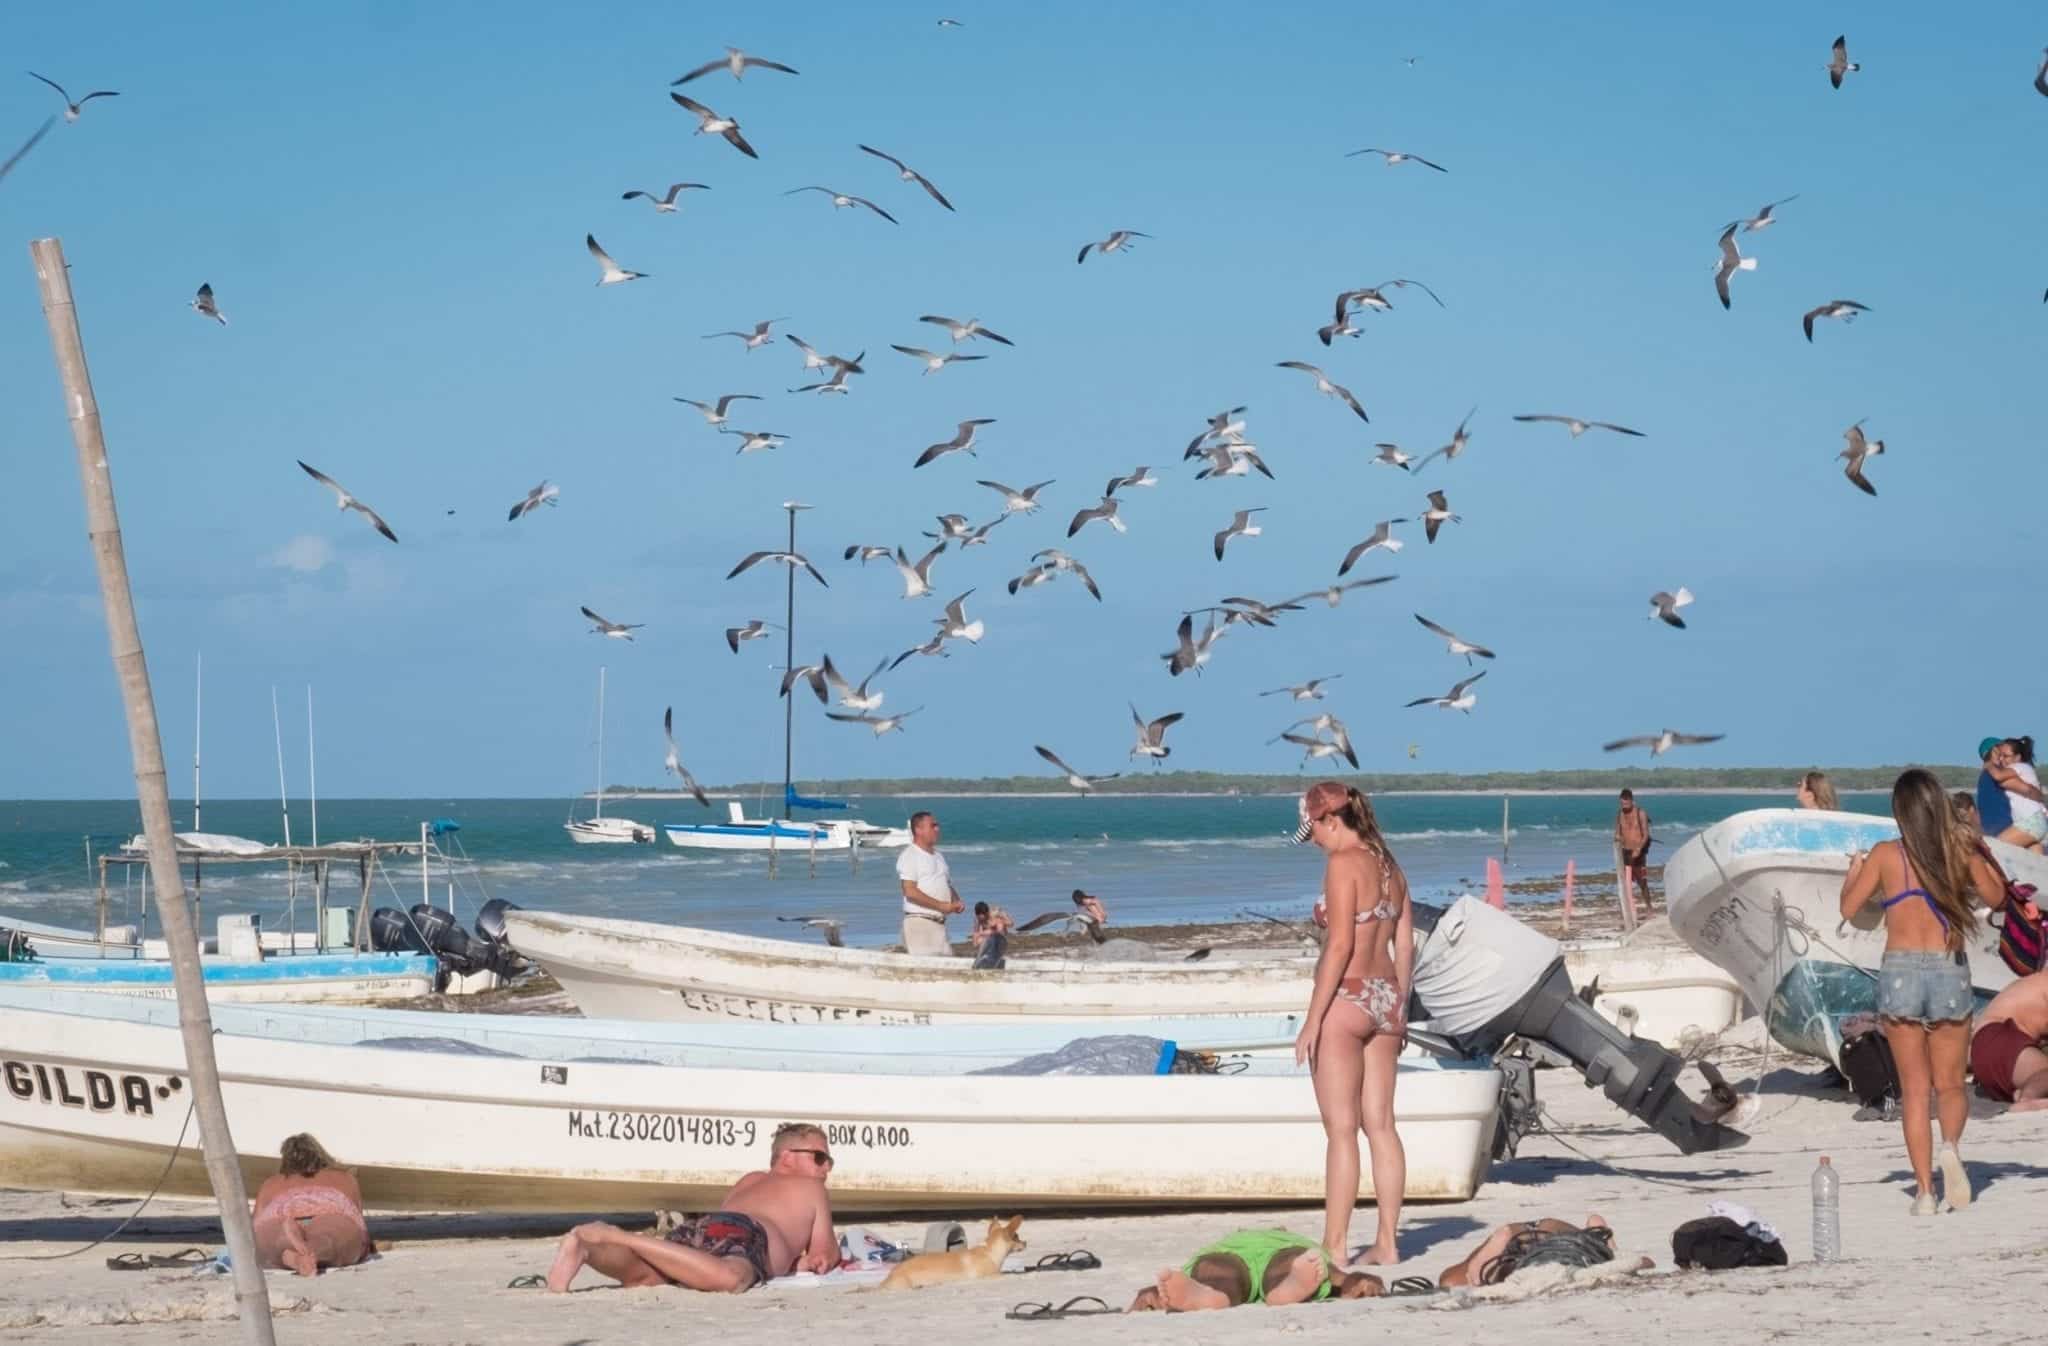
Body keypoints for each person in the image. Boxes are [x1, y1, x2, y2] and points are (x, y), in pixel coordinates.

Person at [1839, 767, 2012, 1215]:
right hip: (1947, 966)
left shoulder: (1884, 854)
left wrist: (1854, 869)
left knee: (1915, 1091)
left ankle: (1924, 1193)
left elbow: (1849, 907)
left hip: (1899, 970)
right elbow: (1998, 898)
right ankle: (1950, 1148)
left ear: (1899, 811)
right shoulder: (1958, 849)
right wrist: (1978, 848)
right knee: (1951, 1084)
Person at [1293, 781, 1412, 1266]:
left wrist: (1311, 1020)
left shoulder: (1342, 865)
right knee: (1381, 1126)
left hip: (1347, 997)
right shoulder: (1389, 865)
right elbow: (1404, 944)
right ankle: (1387, 1242)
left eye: (1314, 831)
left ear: (1330, 820)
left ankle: (1336, 1245)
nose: (1314, 841)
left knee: (1342, 1130)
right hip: (1386, 997)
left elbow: (1340, 947)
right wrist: (1399, 1006)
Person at [546, 1122, 837, 1292]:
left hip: (710, 1224)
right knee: (731, 1278)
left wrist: (792, 1260)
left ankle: (586, 1249)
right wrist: (808, 1259)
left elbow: (719, 1235)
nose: (827, 1167)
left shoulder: (750, 1179)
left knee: (647, 1276)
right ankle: (617, 1237)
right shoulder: (811, 1187)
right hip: (748, 1233)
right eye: (820, 1158)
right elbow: (825, 1255)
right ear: (786, 1157)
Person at [1128, 1229, 1384, 1311]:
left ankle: (1210, 1294)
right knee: (1292, 1263)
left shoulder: (1227, 1241)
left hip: (1230, 1252)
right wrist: (1354, 1280)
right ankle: (1287, 1288)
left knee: (1217, 1270)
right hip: (1289, 1251)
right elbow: (1341, 1277)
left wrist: (1155, 1294)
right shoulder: (1291, 1240)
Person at [250, 1134, 372, 1277]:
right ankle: (315, 1249)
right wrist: (362, 1243)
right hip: (329, 1208)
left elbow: (254, 1229)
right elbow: (360, 1227)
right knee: (332, 1237)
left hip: (282, 1211)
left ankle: (286, 1250)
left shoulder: (271, 1183)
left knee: (272, 1239)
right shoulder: (344, 1178)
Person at [1437, 1214, 1614, 1289]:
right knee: (1588, 1247)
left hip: (1516, 1235)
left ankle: (1480, 1273)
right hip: (1551, 1228)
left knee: (1450, 1279)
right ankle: (1600, 1238)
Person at [1971, 970, 2048, 1110]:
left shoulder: (2035, 981)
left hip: (1988, 1054)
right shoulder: (2043, 983)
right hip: (1997, 1038)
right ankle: (2029, 1098)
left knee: (2038, 1073)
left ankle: (2029, 1093)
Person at [895, 811, 963, 955]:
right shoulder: (910, 855)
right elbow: (910, 891)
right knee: (927, 967)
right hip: (920, 923)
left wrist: (956, 900)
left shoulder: (938, 856)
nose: (937, 829)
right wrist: (942, 906)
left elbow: (946, 883)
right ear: (918, 830)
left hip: (939, 924)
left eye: (937, 825)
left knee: (946, 966)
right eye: (933, 826)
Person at [1987, 737, 2046, 852]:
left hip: (2029, 821)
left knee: (1995, 848)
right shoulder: (2025, 769)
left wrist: (1989, 763)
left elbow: (1998, 776)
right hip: (2036, 822)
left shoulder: (2018, 766)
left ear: (2018, 757)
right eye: (2000, 755)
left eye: (2006, 756)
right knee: (2035, 863)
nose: (2001, 759)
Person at [1614, 789, 1653, 910]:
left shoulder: (1640, 813)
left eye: (1627, 800)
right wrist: (1617, 837)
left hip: (1639, 852)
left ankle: (1649, 907)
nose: (1625, 803)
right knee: (1624, 882)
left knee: (1642, 882)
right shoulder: (1619, 814)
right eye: (1623, 801)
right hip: (1625, 852)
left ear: (1631, 800)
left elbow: (1646, 834)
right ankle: (1625, 908)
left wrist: (1639, 849)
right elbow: (1617, 832)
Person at [1975, 737, 2017, 840]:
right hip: (2003, 829)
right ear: (1994, 750)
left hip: (1992, 830)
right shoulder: (1995, 774)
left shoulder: (1984, 775)